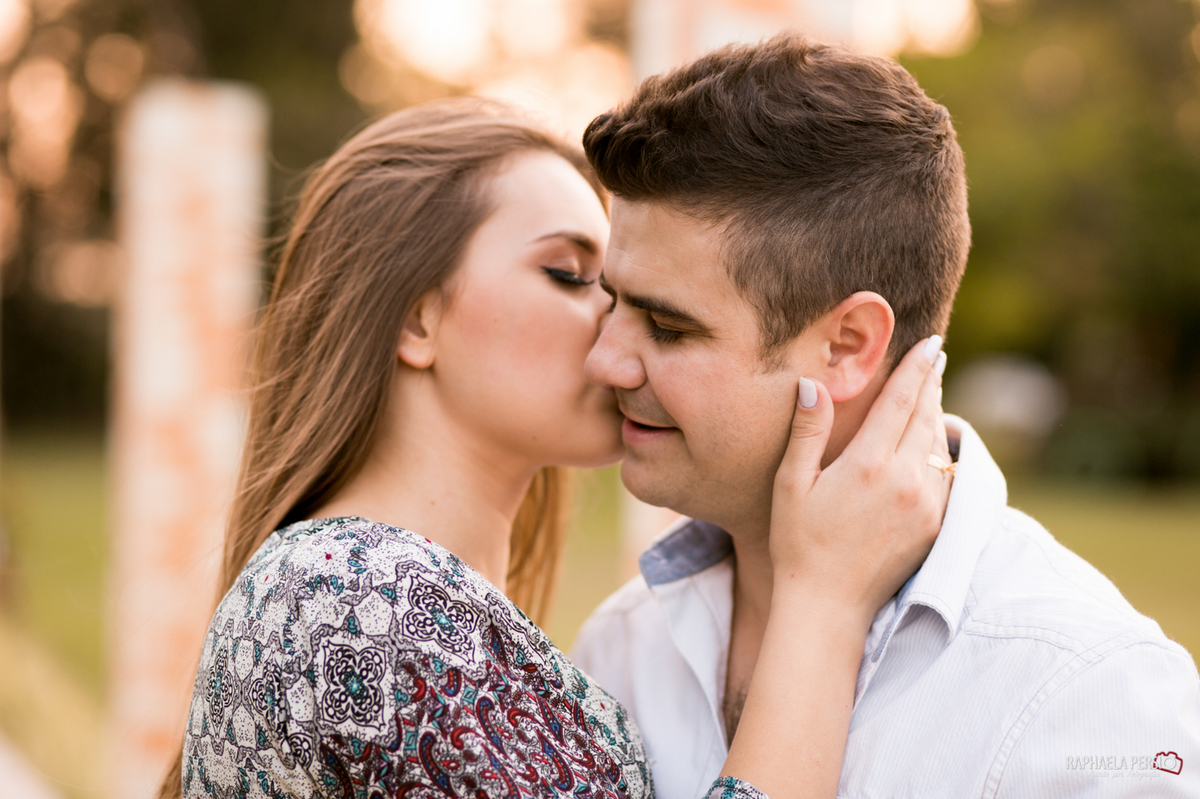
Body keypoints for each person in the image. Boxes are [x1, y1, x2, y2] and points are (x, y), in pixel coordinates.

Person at [167, 97, 954, 799]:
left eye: (639, 301)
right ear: (416, 320)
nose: (618, 339)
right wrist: (822, 600)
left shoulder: (346, 587)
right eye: (571, 275)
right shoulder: (368, 601)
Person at [571, 33, 1200, 799]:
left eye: (667, 326)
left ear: (847, 345)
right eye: (611, 300)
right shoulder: (619, 646)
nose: (604, 360)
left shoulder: (1088, 690)